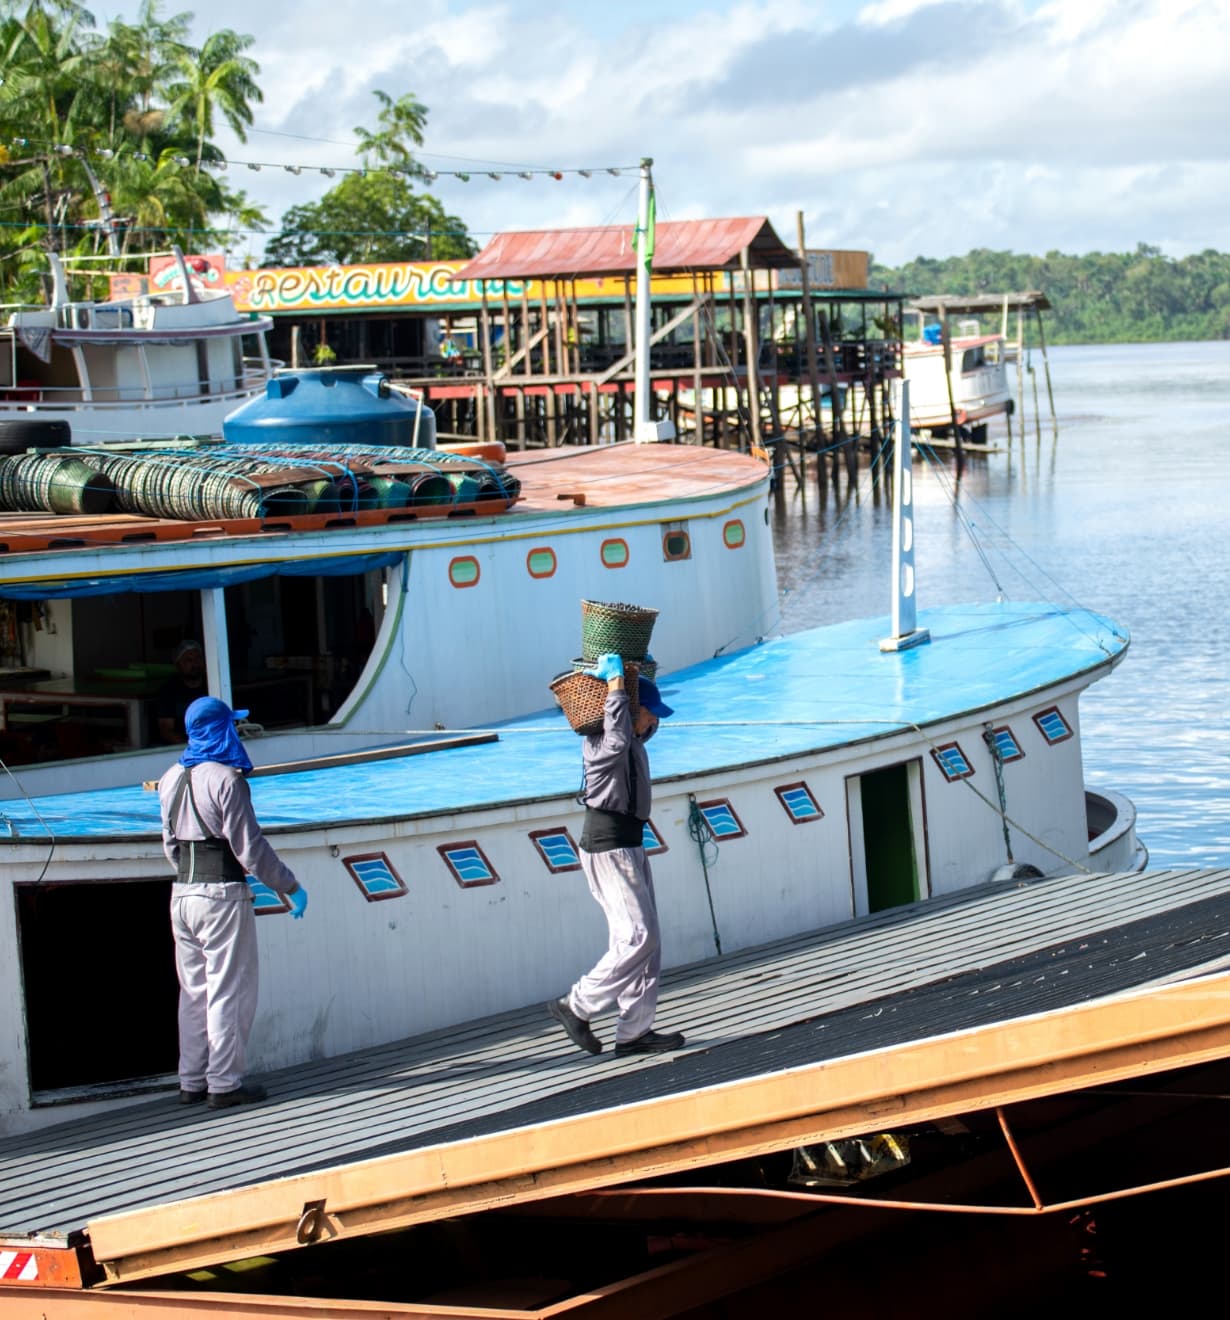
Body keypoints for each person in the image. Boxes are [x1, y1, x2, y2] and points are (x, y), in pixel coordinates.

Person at [159, 696, 308, 1109]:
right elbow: (250, 849)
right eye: (233, 725)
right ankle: (224, 1084)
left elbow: (171, 846)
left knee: (193, 992)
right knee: (228, 990)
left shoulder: (170, 778)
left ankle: (191, 1080)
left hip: (182, 893)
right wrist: (289, 885)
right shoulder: (226, 780)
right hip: (221, 894)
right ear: (220, 729)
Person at [548, 653, 685, 1057]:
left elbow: (629, 736)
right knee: (637, 935)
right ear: (630, 713)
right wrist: (617, 688)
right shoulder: (603, 745)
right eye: (651, 714)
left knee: (649, 941)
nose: (655, 722)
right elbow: (618, 735)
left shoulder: (634, 744)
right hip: (610, 849)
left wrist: (633, 675)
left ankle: (634, 1031)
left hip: (630, 844)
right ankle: (576, 1005)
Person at [157, 639, 208, 743]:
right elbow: (166, 730)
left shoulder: (213, 684)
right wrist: (191, 748)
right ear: (178, 665)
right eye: (188, 660)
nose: (195, 664)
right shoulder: (168, 691)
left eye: (198, 658)